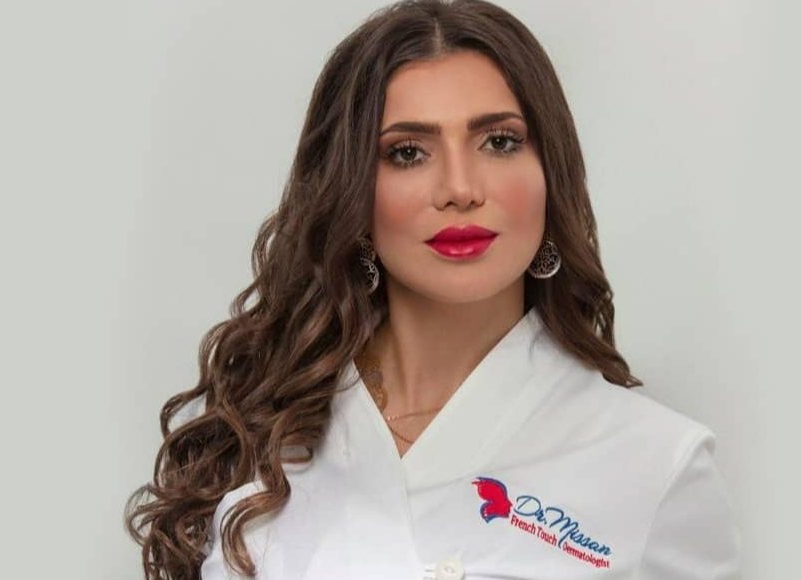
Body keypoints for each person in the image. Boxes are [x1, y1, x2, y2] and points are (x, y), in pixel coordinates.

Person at [124, 0, 742, 578]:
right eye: (407, 153)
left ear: (551, 173)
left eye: (499, 142)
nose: (459, 188)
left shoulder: (655, 465)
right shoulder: (260, 429)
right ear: (350, 192)